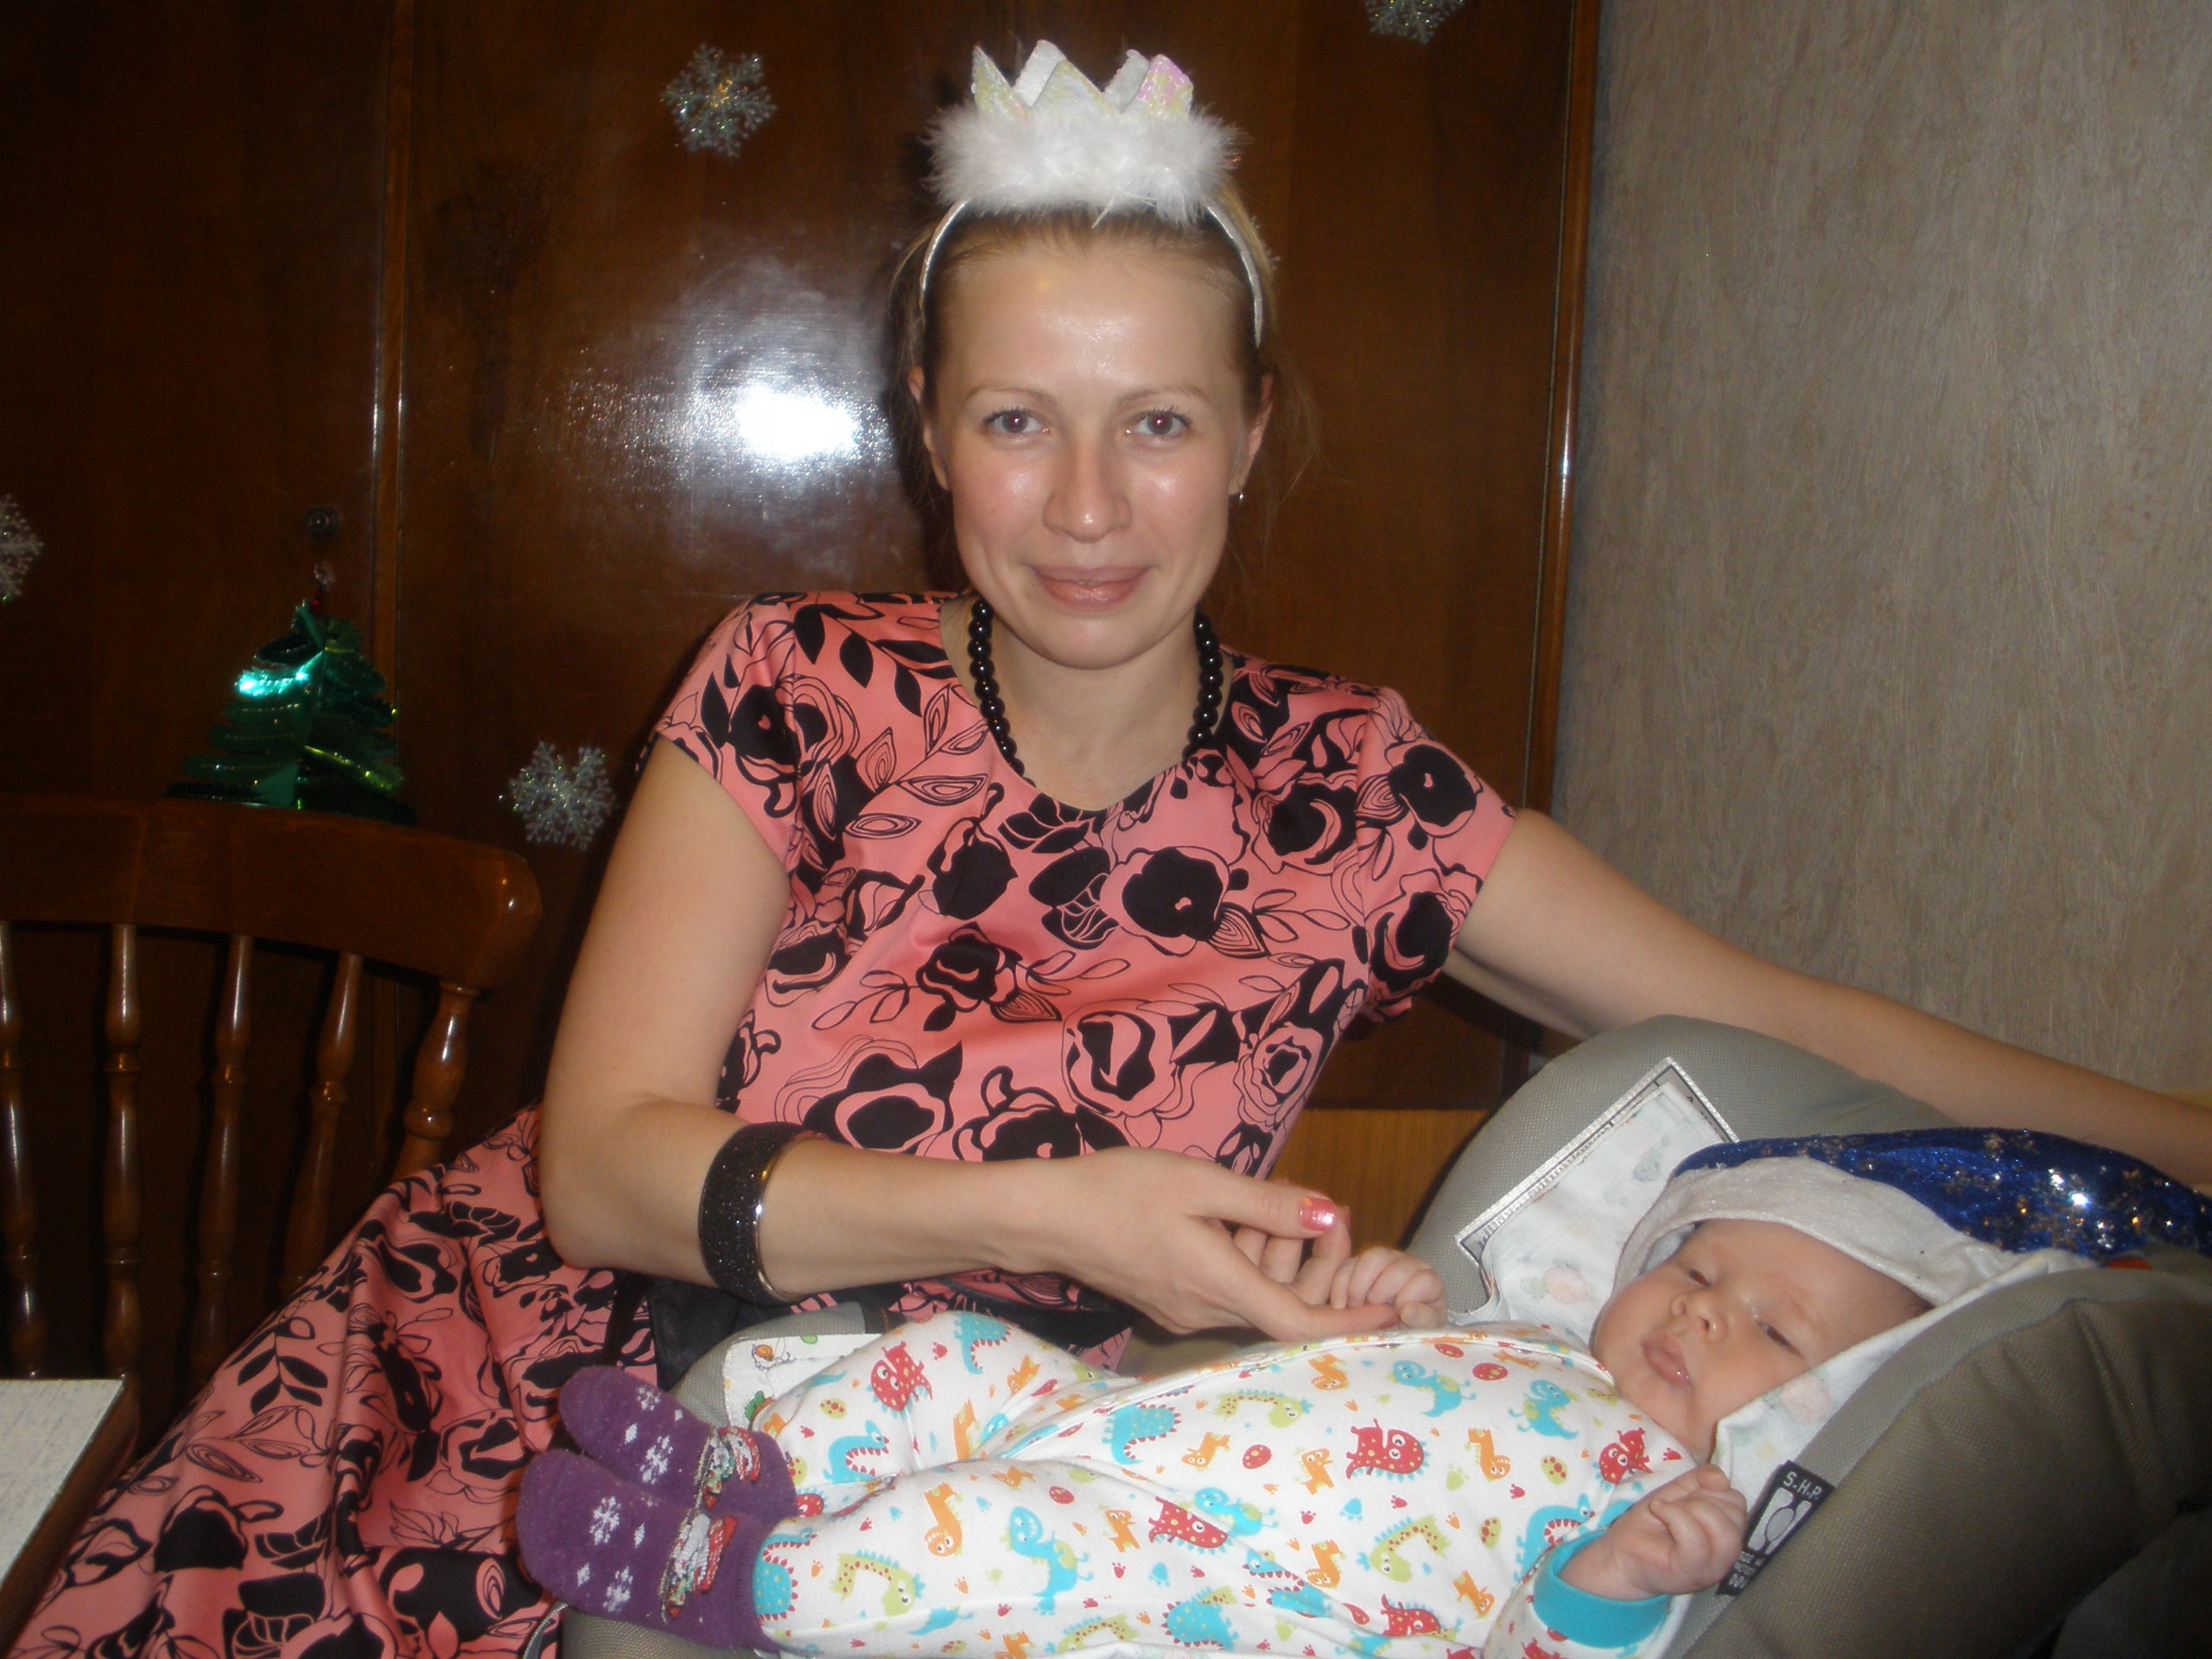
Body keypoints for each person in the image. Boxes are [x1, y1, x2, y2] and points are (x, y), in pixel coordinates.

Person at [14, 40, 2211, 1659]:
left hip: (977, 1501)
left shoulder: (1353, 797)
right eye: (1015, 421)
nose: (1084, 509)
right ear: (926, 433)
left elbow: (1795, 1026)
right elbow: (600, 1170)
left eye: (1155, 423)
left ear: (1246, 437)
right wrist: (1057, 1209)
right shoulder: (793, 686)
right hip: (523, 1393)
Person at [522, 1123, 2194, 1658]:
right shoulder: (1535, 1348)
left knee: (998, 1537)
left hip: (1211, 1582)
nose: (1703, 1312)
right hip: (1134, 1422)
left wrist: (1612, 1589)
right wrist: (1359, 1320)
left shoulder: (1669, 1510)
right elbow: (1326, 1388)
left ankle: (761, 1584)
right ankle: (770, 1459)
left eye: (1771, 1330)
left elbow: (1548, 1647)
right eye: (1696, 1266)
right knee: (944, 1359)